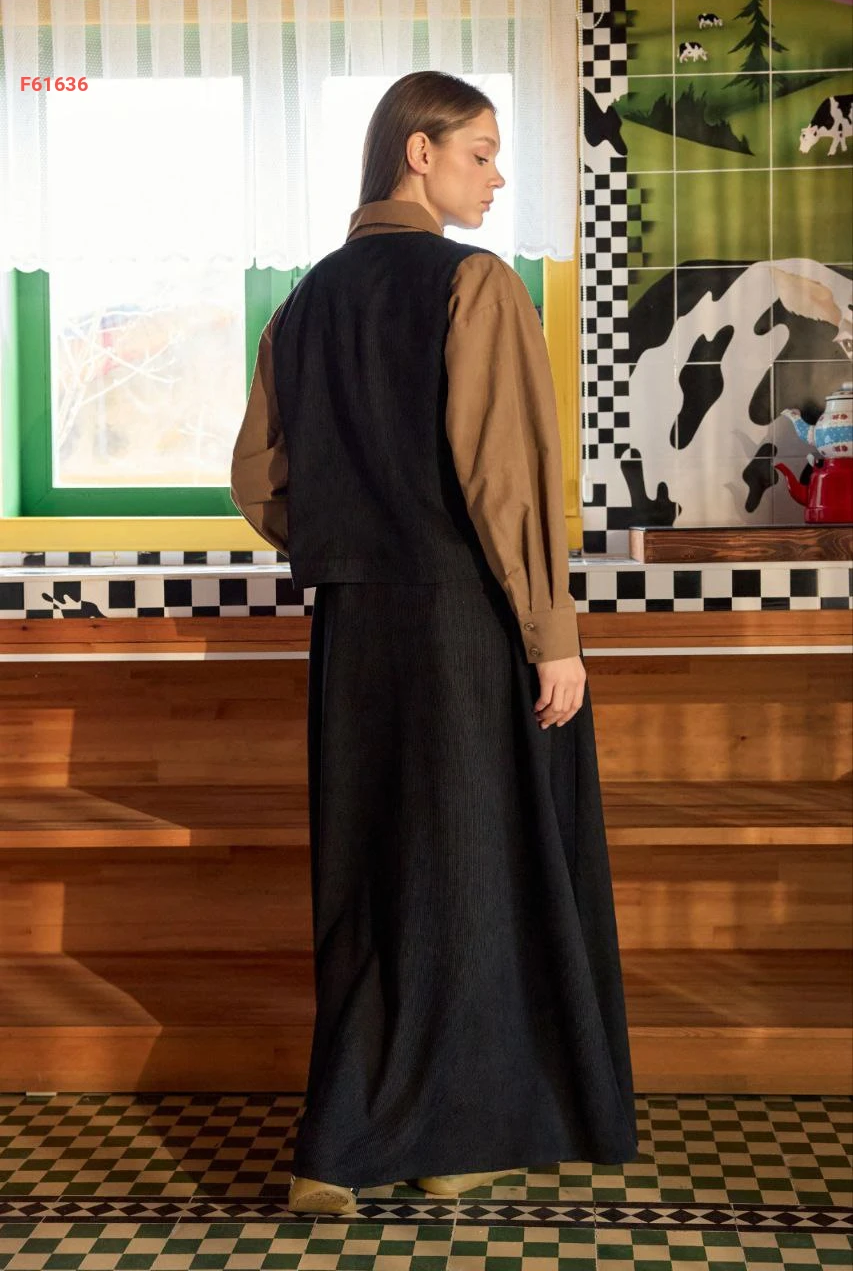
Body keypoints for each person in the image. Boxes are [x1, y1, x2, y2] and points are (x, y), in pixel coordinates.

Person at [230, 70, 639, 1218]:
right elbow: (506, 480)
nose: (496, 178)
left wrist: (352, 541)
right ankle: (447, 1143)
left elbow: (258, 479)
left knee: (370, 879)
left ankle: (338, 1151)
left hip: (353, 626)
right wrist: (551, 635)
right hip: (466, 615)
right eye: (480, 153)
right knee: (471, 868)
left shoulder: (304, 302)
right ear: (419, 152)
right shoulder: (474, 281)